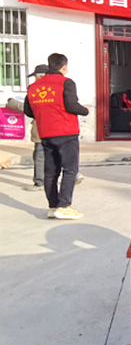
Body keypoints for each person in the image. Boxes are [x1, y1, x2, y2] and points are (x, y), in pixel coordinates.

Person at [24, 53, 89, 220]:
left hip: (45, 133)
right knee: (70, 169)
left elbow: (28, 111)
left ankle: (53, 206)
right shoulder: (66, 82)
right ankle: (64, 206)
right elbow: (71, 105)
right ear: (64, 67)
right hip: (66, 131)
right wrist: (85, 110)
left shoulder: (33, 87)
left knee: (51, 172)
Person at [7, 64, 48, 191]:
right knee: (59, 153)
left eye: (35, 77)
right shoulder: (57, 88)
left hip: (42, 127)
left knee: (40, 155)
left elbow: (29, 109)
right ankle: (74, 174)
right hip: (59, 129)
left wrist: (12, 103)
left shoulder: (35, 90)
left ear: (40, 77)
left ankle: (40, 182)